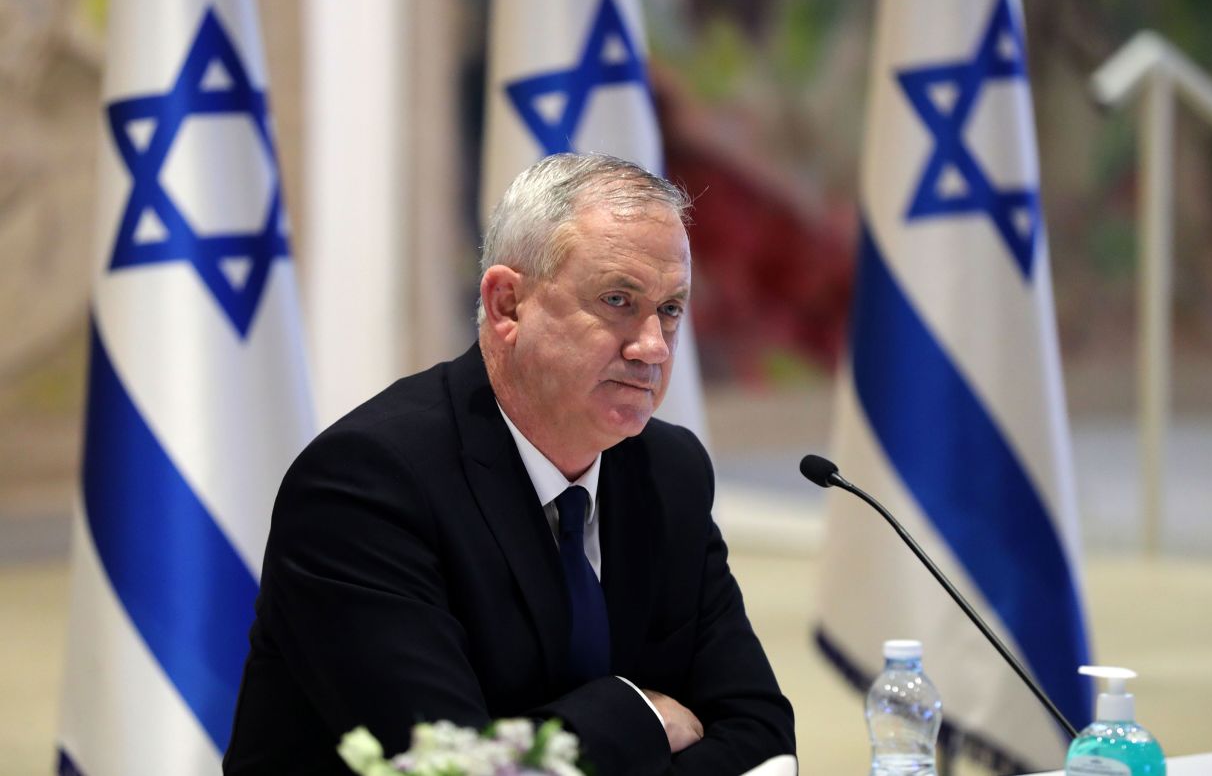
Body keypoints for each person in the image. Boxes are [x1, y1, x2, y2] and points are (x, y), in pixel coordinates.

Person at [223, 154, 796, 775]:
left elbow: (760, 734)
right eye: (617, 300)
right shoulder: (366, 485)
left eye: (671, 308)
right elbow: (454, 766)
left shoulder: (668, 471)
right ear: (507, 305)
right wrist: (641, 714)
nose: (652, 346)